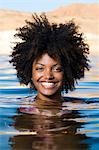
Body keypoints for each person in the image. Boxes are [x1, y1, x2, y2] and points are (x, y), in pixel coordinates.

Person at [10, 13, 90, 114]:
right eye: (40, 68)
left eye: (57, 69)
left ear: (68, 73)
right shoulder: (22, 109)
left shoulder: (79, 108)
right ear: (30, 73)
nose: (48, 76)